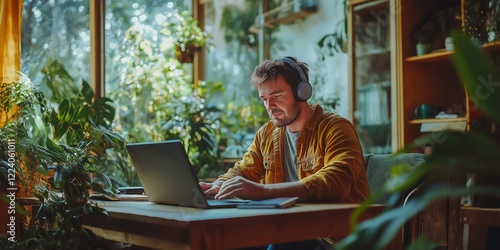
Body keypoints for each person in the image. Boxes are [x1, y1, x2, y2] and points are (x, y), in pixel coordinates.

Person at [200, 56, 370, 249]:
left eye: (277, 96)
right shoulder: (267, 133)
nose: (270, 107)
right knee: (225, 241)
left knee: (284, 243)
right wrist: (217, 186)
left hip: (335, 239)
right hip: (284, 231)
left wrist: (262, 191)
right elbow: (244, 170)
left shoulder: (336, 128)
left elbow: (334, 181)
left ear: (301, 92)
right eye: (264, 99)